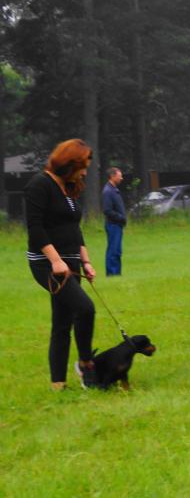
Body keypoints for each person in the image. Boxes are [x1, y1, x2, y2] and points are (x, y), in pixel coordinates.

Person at [25, 139, 98, 391]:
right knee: (86, 308)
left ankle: (58, 383)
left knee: (62, 321)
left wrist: (85, 261)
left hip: (71, 261)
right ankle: (86, 364)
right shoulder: (39, 185)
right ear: (70, 163)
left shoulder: (68, 187)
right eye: (83, 166)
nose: (85, 172)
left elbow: (74, 228)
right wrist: (55, 260)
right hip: (46, 264)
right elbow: (35, 228)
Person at [102, 166, 127, 276]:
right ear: (112, 176)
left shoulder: (114, 190)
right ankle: (112, 274)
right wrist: (120, 217)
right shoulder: (108, 191)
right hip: (113, 225)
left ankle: (117, 273)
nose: (121, 178)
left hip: (117, 225)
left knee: (117, 251)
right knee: (113, 250)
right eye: (119, 176)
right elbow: (107, 210)